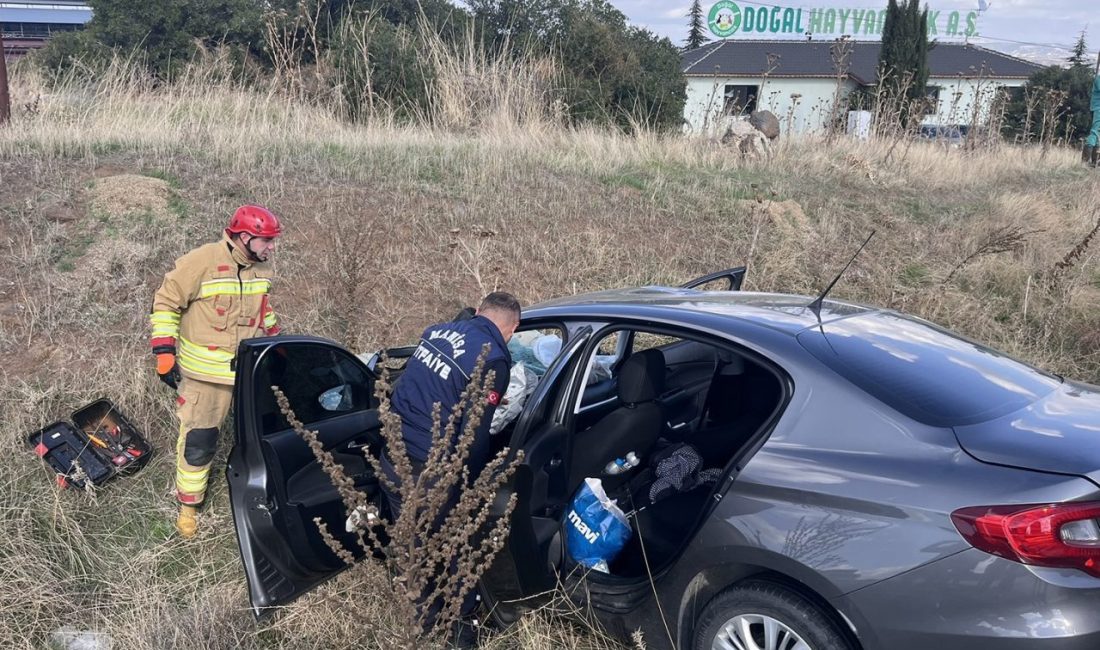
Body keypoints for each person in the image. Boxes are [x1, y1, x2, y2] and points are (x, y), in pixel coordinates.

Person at [381, 291, 520, 643]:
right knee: (452, 548)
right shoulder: (493, 360)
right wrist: (472, 484)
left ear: (477, 312)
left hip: (394, 454)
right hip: (430, 468)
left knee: (412, 540)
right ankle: (461, 631)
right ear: (513, 329)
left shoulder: (437, 331)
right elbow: (474, 432)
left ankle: (421, 622)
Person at [149, 205, 283, 538]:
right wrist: (164, 352)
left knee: (257, 435)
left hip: (249, 374)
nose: (271, 248)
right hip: (206, 379)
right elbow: (166, 302)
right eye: (266, 241)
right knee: (200, 441)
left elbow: (264, 312)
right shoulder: (202, 261)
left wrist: (279, 345)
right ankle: (188, 508)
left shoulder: (260, 269)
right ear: (244, 237)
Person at [1085, 73, 1100, 168]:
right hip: (1098, 108)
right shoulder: (1099, 80)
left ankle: (1095, 162)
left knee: (1098, 134)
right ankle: (1086, 160)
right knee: (1095, 132)